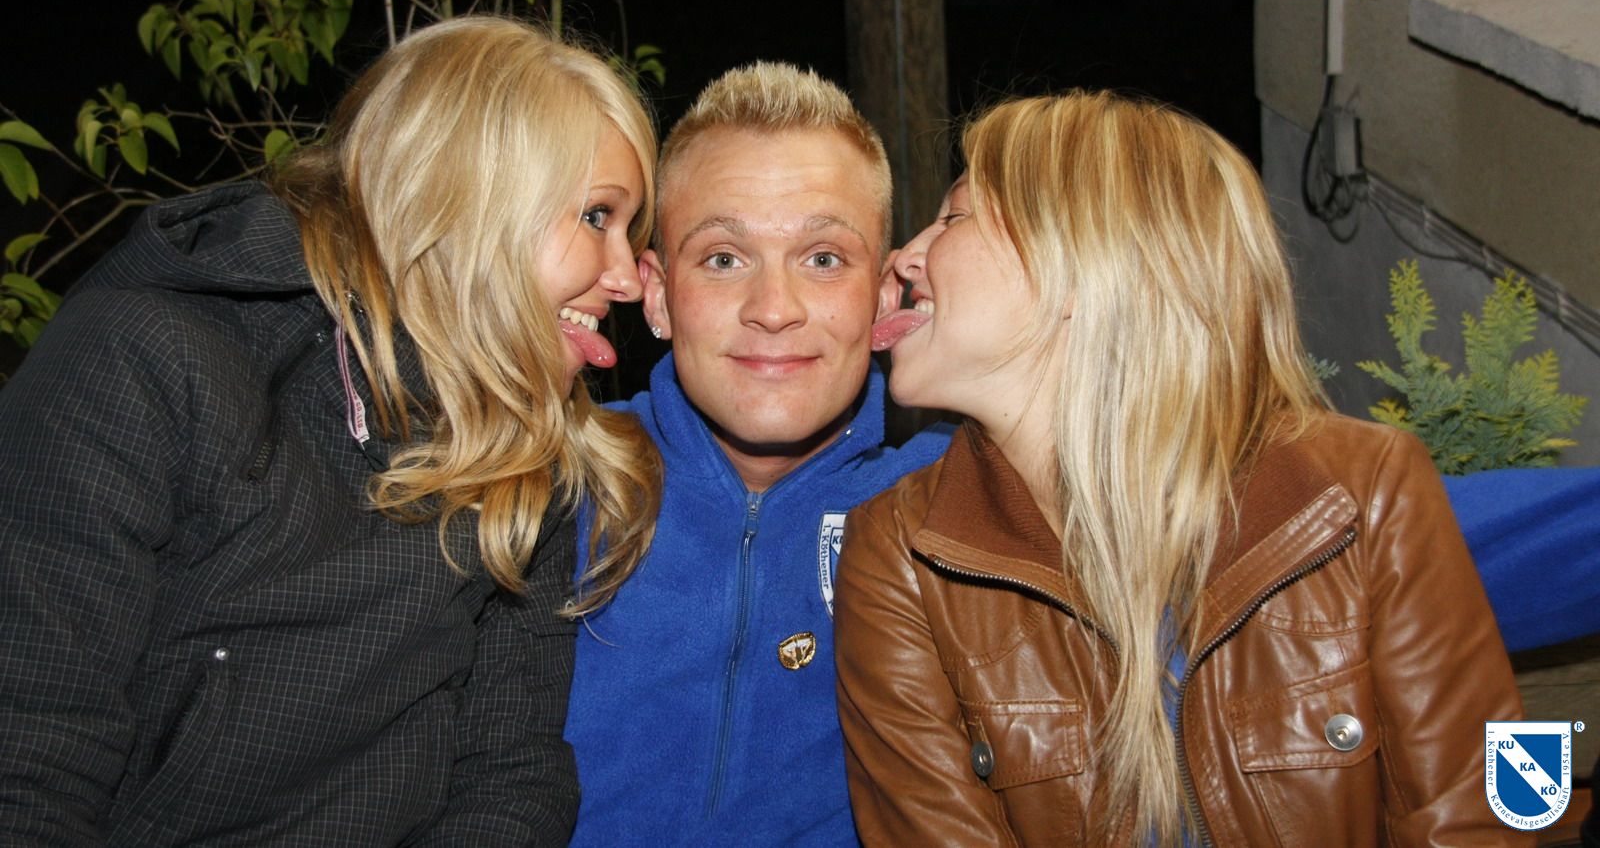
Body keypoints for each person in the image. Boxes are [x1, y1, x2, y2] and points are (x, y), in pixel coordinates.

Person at [0, 16, 661, 845]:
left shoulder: (531, 450)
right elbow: (28, 760)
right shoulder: (148, 359)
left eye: (630, 230)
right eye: (597, 216)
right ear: (467, 197)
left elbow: (513, 773)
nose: (626, 276)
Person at [837, 91, 1529, 846]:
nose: (903, 257)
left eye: (953, 218)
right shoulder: (902, 559)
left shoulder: (1360, 493)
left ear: (1081, 264)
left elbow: (1480, 822)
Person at [564, 62, 948, 846]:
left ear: (884, 296)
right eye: (723, 259)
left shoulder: (948, 507)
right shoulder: (553, 483)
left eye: (823, 258)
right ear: (658, 294)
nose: (773, 309)